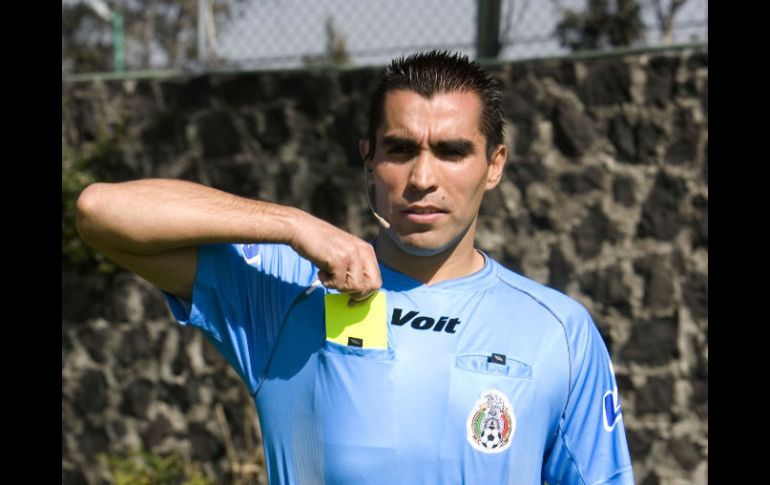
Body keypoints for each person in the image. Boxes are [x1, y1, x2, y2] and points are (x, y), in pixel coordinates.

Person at [76, 50, 634, 484]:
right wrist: (294, 223)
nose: (422, 178)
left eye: (451, 151)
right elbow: (101, 210)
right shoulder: (290, 289)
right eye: (399, 150)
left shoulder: (559, 332)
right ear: (368, 160)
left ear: (494, 165)